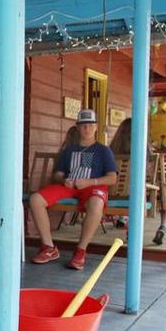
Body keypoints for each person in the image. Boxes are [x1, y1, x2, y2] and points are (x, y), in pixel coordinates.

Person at [29, 109, 117, 269]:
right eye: (83, 126)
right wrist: (64, 180)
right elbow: (57, 175)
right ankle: (49, 247)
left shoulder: (103, 150)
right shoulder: (68, 151)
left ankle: (80, 251)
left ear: (96, 127)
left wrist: (90, 182)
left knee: (96, 204)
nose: (87, 129)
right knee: (35, 199)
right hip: (70, 187)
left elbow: (112, 178)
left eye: (90, 125)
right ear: (77, 127)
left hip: (93, 187)